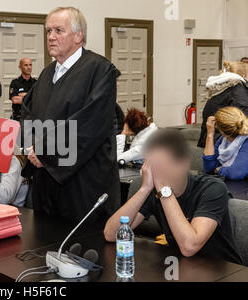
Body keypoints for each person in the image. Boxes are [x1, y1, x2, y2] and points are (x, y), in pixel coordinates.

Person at [20, 7, 120, 224]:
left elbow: (90, 124)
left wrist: (44, 151)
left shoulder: (100, 70)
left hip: (83, 181)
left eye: (58, 30)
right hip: (45, 178)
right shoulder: (48, 73)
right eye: (48, 31)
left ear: (78, 35)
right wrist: (32, 148)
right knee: (43, 243)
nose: (51, 37)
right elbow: (28, 113)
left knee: (83, 251)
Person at [104, 129, 242, 265]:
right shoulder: (153, 190)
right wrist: (145, 189)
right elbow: (111, 234)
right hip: (183, 267)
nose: (158, 172)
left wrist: (164, 191)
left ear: (184, 164)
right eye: (153, 166)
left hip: (223, 270)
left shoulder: (212, 188)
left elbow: (189, 246)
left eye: (164, 165)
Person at [197, 60, 248, 147]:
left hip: (209, 138)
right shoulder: (239, 90)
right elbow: (242, 121)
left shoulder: (219, 88)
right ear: (243, 76)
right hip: (224, 142)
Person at [203, 107, 248, 180]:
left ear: (220, 129)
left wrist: (219, 170)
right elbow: (209, 168)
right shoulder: (223, 139)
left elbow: (236, 173)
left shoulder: (246, 140)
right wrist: (210, 135)